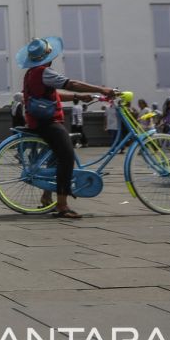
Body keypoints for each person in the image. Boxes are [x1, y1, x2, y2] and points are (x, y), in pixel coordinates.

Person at [17, 37, 113, 218]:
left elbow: (54, 94)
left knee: (55, 157)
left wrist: (78, 96)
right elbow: (71, 83)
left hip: (37, 120)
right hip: (47, 122)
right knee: (67, 157)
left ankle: (46, 197)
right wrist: (102, 89)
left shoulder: (31, 73)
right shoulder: (44, 72)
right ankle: (62, 205)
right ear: (48, 57)